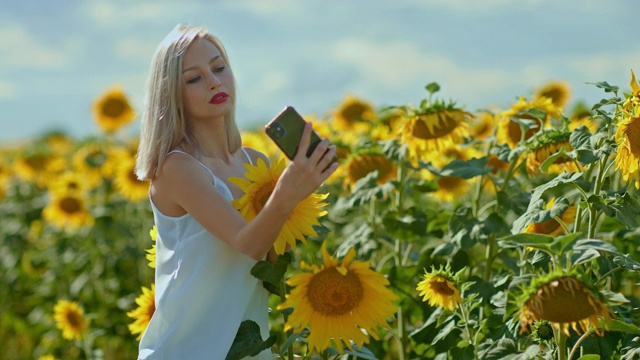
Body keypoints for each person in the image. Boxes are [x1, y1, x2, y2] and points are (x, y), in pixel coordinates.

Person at [134, 24, 338, 360]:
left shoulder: (254, 163)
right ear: (171, 93)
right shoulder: (177, 168)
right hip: (186, 350)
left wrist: (304, 189)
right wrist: (286, 192)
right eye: (194, 78)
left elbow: (271, 260)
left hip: (247, 348)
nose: (214, 81)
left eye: (218, 68)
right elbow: (248, 244)